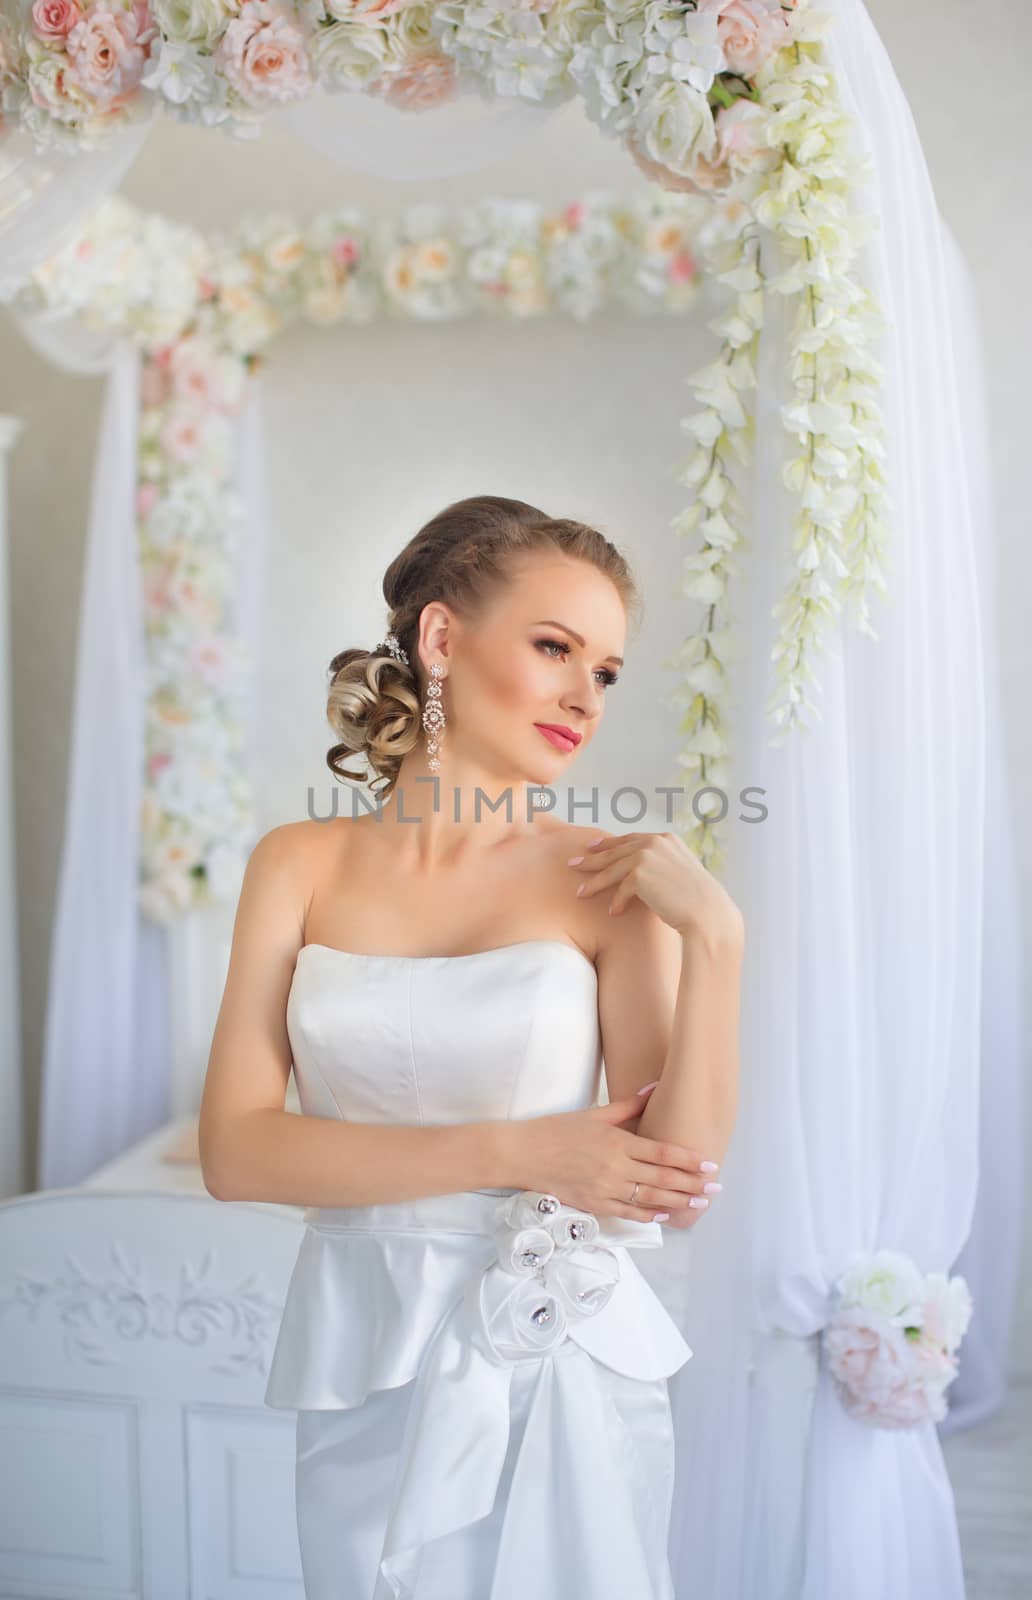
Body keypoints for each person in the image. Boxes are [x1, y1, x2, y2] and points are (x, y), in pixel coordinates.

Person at [198, 494, 744, 1599]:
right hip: (361, 1352)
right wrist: (521, 1150)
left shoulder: (610, 882)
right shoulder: (296, 864)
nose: (582, 697)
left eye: (605, 671)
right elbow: (237, 1152)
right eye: (554, 648)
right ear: (442, 638)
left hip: (550, 1359)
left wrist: (717, 941)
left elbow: (670, 1188)